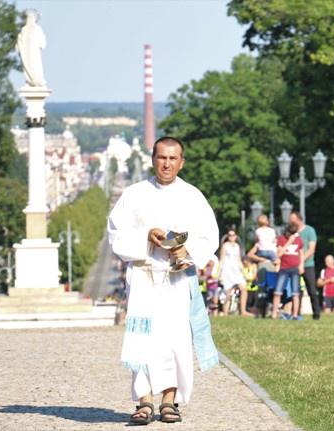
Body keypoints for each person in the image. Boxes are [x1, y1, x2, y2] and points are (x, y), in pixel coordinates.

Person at [108, 136, 219, 424]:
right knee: (143, 338)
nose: (167, 163)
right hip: (144, 278)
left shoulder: (193, 196)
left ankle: (170, 400)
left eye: (173, 158)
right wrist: (146, 237)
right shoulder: (133, 194)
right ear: (153, 159)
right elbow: (116, 234)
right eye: (161, 157)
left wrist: (186, 249)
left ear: (181, 162)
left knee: (174, 340)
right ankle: (144, 401)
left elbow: (209, 236)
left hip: (177, 279)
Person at [289, 212, 321, 320]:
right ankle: (296, 314)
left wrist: (301, 261)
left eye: (292, 220)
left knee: (312, 289)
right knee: (296, 290)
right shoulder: (291, 232)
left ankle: (316, 313)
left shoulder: (309, 231)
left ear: (299, 220)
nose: (290, 222)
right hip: (293, 266)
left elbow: (311, 249)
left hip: (308, 265)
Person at [272, 222, 304, 320]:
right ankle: (274, 314)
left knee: (295, 292)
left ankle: (294, 315)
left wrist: (301, 265)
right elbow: (279, 254)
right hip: (284, 268)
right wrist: (288, 242)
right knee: (278, 292)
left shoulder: (298, 239)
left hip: (295, 268)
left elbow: (301, 253)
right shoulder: (282, 238)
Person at [218, 227, 253, 317]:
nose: (231, 237)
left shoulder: (237, 246)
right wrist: (219, 272)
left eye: (233, 235)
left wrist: (244, 272)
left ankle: (243, 310)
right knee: (227, 291)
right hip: (227, 271)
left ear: (236, 236)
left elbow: (239, 260)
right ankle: (225, 313)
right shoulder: (225, 246)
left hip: (236, 271)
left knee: (244, 288)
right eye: (229, 235)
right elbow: (221, 260)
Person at [16, 10, 47, 87]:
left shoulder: (25, 29)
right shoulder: (34, 29)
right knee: (33, 65)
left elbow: (19, 43)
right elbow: (42, 44)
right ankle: (32, 79)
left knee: (33, 65)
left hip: (30, 54)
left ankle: (32, 79)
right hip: (31, 54)